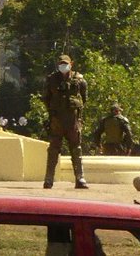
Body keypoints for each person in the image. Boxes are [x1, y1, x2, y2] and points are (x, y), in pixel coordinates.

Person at [42, 54, 88, 189]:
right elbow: (46, 98)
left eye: (65, 63)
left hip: (73, 120)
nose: (63, 66)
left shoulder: (79, 80)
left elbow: (84, 99)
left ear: (71, 64)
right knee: (53, 149)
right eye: (61, 63)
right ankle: (49, 179)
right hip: (57, 120)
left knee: (76, 149)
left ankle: (80, 178)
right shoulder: (51, 80)